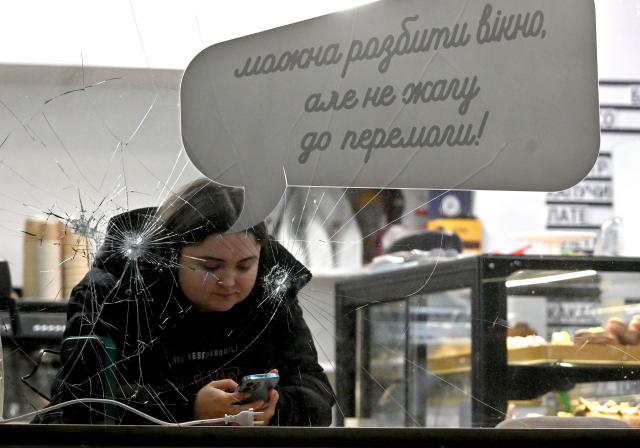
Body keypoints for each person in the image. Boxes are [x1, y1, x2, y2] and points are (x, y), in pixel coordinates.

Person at [37, 179, 334, 425]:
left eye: (244, 267)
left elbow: (317, 394)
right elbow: (78, 407)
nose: (229, 281)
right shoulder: (113, 294)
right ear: (171, 257)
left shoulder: (273, 291)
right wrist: (190, 409)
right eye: (210, 266)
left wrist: (276, 409)